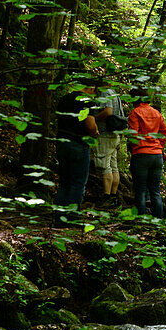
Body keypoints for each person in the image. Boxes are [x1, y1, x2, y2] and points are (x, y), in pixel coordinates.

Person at [52, 80, 102, 226]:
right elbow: (90, 125)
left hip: (61, 142)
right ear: (90, 88)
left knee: (64, 182)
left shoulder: (64, 99)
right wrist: (95, 132)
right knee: (78, 183)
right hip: (78, 143)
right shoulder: (86, 102)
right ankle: (72, 218)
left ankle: (59, 218)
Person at [127, 89, 166, 218]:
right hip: (157, 156)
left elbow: (133, 135)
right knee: (155, 190)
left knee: (140, 190)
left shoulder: (135, 113)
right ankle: (159, 221)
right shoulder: (156, 113)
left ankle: (141, 220)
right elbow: (165, 133)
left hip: (141, 155)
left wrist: (136, 147)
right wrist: (158, 147)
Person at [92, 82, 125, 207]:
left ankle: (106, 197)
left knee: (105, 166)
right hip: (115, 134)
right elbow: (121, 116)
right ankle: (113, 196)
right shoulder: (115, 94)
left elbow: (108, 111)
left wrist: (93, 118)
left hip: (105, 134)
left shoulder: (105, 93)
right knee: (113, 166)